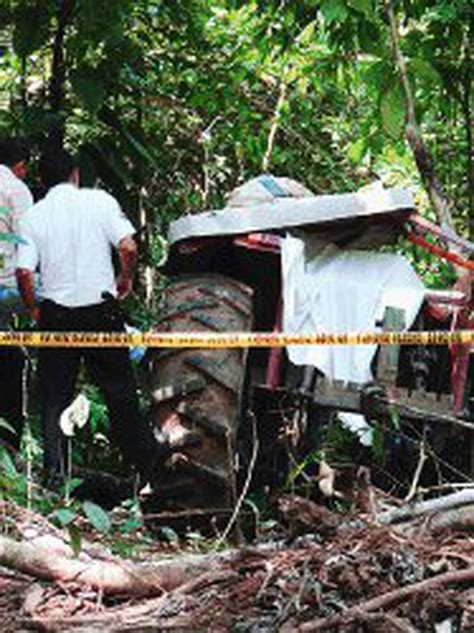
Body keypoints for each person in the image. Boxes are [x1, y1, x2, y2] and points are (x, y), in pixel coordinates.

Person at [15, 149, 170, 486]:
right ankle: (148, 469)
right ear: (75, 174)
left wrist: (34, 309)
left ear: (42, 180)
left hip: (56, 315)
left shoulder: (34, 216)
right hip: (101, 311)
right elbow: (128, 246)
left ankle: (55, 476)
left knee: (55, 395)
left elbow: (24, 272)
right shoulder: (99, 202)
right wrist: (125, 278)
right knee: (119, 392)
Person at [0, 137, 33, 451]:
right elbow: (28, 247)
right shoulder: (15, 189)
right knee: (77, 299)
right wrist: (34, 302)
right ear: (20, 166)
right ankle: (134, 343)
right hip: (7, 285)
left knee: (8, 353)